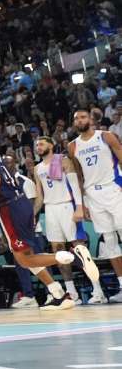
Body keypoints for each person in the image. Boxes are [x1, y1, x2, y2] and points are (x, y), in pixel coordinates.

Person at [0, 129, 77, 310]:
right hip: (21, 202)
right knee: (28, 255)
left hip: (8, 207)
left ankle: (70, 257)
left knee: (24, 260)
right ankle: (59, 294)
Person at [32, 136, 103, 303]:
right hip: (50, 209)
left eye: (41, 144)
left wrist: (79, 207)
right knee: (58, 252)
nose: (38, 147)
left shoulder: (63, 161)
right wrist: (32, 215)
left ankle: (98, 291)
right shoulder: (37, 168)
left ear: (51, 145)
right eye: (36, 145)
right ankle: (72, 293)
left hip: (67, 206)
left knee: (80, 249)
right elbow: (40, 197)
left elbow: (76, 186)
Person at [68, 110, 122, 302]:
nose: (79, 120)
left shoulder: (106, 136)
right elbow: (79, 177)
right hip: (93, 195)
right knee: (109, 242)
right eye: (76, 118)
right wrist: (83, 203)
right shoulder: (72, 146)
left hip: (114, 189)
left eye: (83, 117)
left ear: (90, 120)